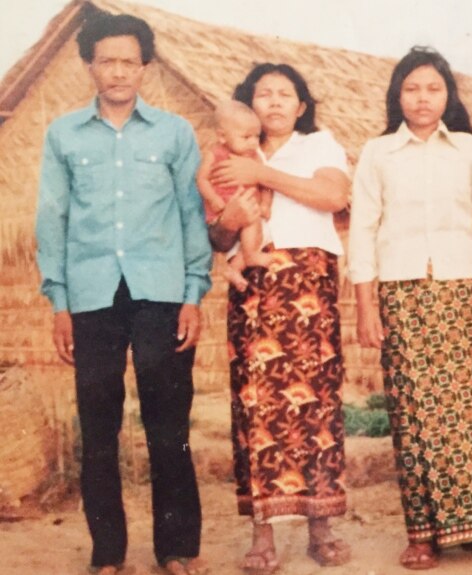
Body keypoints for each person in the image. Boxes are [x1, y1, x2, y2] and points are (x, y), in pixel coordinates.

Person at [34, 12, 211, 575]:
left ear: (145, 67)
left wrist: (193, 295)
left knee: (168, 428)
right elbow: (52, 220)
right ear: (90, 65)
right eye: (106, 60)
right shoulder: (62, 134)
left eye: (129, 61)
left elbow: (191, 219)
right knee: (100, 429)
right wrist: (60, 303)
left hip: (161, 294)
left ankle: (177, 549)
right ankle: (108, 554)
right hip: (91, 299)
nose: (117, 71)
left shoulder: (174, 133)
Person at [349, 46, 472, 571]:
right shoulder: (377, 153)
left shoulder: (467, 149)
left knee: (469, 412)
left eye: (433, 89)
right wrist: (366, 307)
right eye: (412, 89)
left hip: (462, 290)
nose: (422, 99)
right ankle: (422, 533)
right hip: (401, 296)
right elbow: (363, 231)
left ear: (447, 96)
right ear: (397, 96)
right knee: (414, 414)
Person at [206, 63, 351, 575]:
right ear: (248, 105)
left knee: (316, 410)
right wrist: (230, 221)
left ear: (301, 105)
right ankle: (262, 536)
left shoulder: (320, 146)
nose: (272, 102)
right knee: (256, 411)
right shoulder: (231, 152)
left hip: (307, 283)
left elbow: (333, 196)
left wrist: (262, 175)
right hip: (254, 287)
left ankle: (320, 528)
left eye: (284, 94)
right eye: (262, 94)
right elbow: (219, 236)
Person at [196, 100, 271, 291]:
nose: (253, 142)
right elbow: (202, 180)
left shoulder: (255, 157)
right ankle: (251, 256)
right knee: (251, 232)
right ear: (222, 136)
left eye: (256, 136)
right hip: (222, 209)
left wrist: (265, 205)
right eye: (246, 137)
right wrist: (213, 199)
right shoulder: (215, 154)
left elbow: (266, 184)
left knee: (255, 231)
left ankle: (234, 268)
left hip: (249, 206)